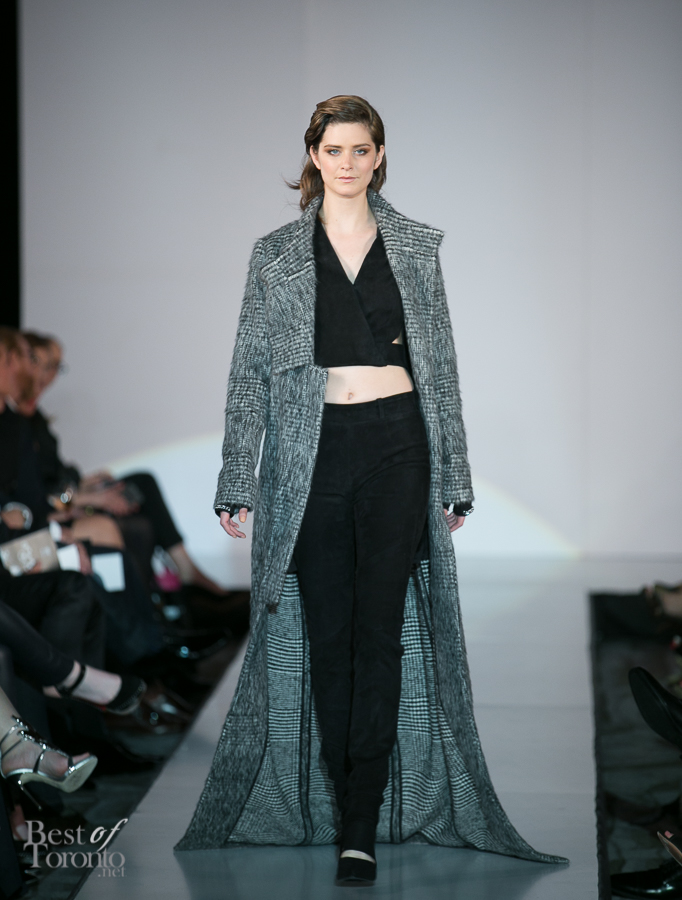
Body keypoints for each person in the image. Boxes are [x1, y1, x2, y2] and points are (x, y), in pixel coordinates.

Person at [176, 96, 564, 883]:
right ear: (313, 156)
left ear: (379, 156)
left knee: (381, 632)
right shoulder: (275, 255)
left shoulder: (416, 247)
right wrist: (236, 475)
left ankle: (359, 823)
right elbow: (249, 371)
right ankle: (346, 801)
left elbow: (441, 369)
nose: (347, 163)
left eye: (361, 150)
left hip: (397, 445)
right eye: (334, 150)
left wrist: (455, 474)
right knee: (329, 638)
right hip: (311, 451)